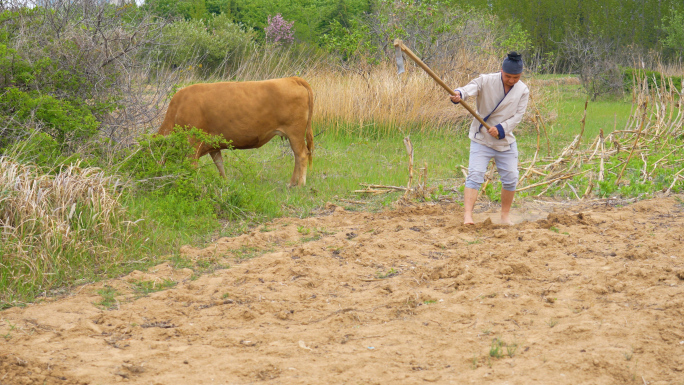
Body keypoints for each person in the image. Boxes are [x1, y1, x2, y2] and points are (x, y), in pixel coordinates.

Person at [449, 52, 529, 225]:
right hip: (481, 138)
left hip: (505, 139)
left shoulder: (523, 90)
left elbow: (518, 116)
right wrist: (458, 94)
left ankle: (505, 216)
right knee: (475, 175)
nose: (511, 80)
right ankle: (468, 216)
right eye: (508, 76)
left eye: (516, 77)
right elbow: (467, 89)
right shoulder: (486, 80)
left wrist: (501, 129)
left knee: (511, 178)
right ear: (501, 71)